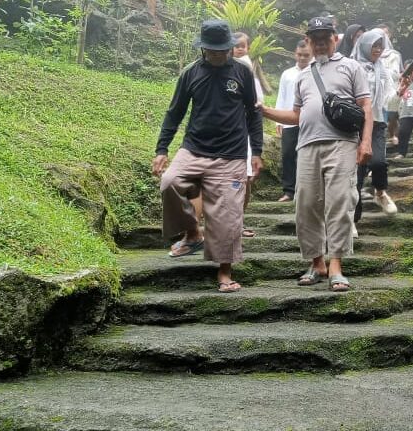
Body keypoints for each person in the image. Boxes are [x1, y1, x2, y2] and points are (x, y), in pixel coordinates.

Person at [261, 17, 372, 293]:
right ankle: (316, 262)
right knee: (306, 204)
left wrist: (365, 142)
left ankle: (336, 266)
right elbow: (296, 115)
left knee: (339, 203)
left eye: (325, 36)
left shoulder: (351, 67)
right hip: (307, 145)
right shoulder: (303, 75)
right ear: (308, 42)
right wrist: (263, 110)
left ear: (335, 38)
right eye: (315, 37)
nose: (320, 41)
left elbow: (366, 106)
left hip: (342, 143)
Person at [153, 20, 263, 293]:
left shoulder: (242, 73)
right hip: (194, 148)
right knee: (170, 182)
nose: (217, 54)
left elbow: (253, 112)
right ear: (203, 49)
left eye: (221, 50)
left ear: (228, 48)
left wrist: (256, 151)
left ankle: (224, 273)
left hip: (232, 154)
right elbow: (174, 112)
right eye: (211, 50)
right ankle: (193, 232)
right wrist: (162, 149)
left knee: (227, 217)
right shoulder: (191, 73)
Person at [350, 29, 398, 220]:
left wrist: (400, 91)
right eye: (374, 46)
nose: (377, 50)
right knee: (357, 173)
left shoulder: (382, 70)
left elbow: (388, 100)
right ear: (364, 46)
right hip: (355, 123)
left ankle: (380, 193)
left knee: (378, 161)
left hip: (377, 121)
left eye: (380, 46)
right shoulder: (352, 67)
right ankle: (352, 219)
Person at [232, 31, 265, 237]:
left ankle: (238, 222)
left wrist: (256, 149)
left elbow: (257, 105)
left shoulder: (247, 71)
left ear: (248, 48)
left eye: (242, 46)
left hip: (243, 134)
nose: (239, 49)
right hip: (227, 135)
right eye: (235, 46)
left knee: (243, 179)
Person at [275, 40, 311, 202]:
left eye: (306, 55)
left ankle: (306, 190)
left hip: (310, 122)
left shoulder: (315, 72)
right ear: (295, 54)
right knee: (288, 154)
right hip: (289, 120)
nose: (303, 58)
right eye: (300, 55)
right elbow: (281, 97)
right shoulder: (287, 74)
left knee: (308, 156)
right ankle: (289, 191)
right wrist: (278, 121)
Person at [376, 24, 403, 146]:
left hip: (392, 87)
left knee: (393, 115)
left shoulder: (394, 55)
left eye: (385, 34)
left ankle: (394, 135)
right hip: (377, 89)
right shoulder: (371, 54)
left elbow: (398, 73)